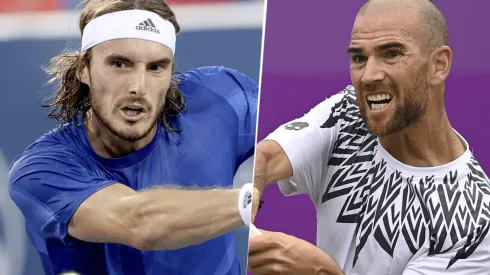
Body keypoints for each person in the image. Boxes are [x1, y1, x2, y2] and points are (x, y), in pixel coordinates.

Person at [8, 0, 260, 274]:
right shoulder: (41, 169)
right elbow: (139, 223)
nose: (138, 87)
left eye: (156, 68)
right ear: (83, 69)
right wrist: (246, 201)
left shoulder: (222, 100)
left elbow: (300, 135)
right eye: (119, 64)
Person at [249, 0, 490, 274]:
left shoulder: (477, 222)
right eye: (359, 58)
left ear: (438, 64)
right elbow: (266, 158)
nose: (368, 76)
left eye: (392, 54)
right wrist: (248, 196)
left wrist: (321, 270)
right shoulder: (348, 111)